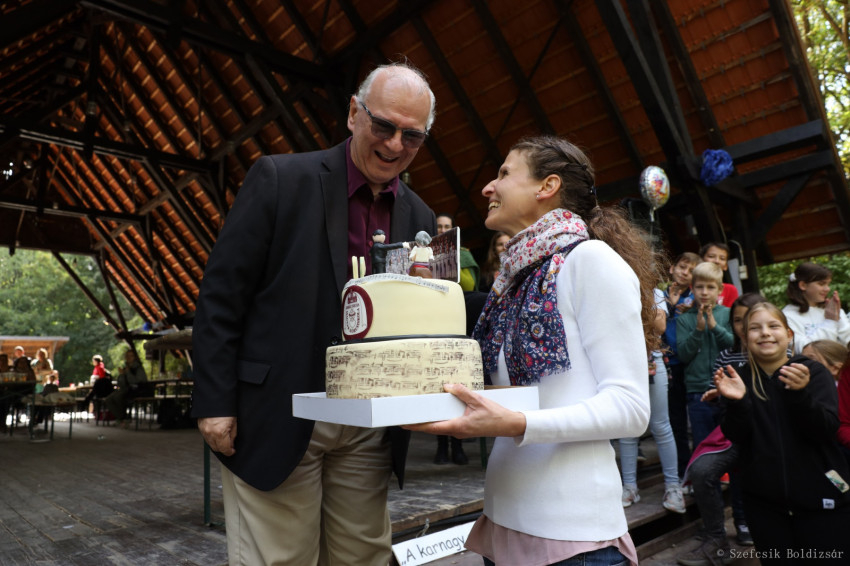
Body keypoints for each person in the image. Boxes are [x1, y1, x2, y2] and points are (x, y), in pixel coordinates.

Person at [192, 61, 438, 566]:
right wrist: (214, 400)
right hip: (278, 411)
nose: (395, 145)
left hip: (369, 423)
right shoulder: (280, 178)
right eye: (384, 126)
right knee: (280, 558)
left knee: (363, 556)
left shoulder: (420, 216)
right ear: (353, 113)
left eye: (412, 136)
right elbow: (222, 295)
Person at [406, 135, 657, 566]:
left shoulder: (591, 261)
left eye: (504, 173)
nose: (488, 187)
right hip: (504, 524)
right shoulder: (515, 278)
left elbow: (631, 408)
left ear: (548, 186)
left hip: (574, 539)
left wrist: (517, 423)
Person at [715, 302, 850, 564]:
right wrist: (738, 402)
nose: (765, 332)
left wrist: (800, 394)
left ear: (789, 335)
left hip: (822, 500)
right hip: (764, 506)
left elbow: (826, 430)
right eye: (755, 328)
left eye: (773, 326)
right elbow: (735, 435)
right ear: (745, 337)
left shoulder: (812, 371)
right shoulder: (737, 378)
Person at [675, 293, 766, 566]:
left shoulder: (777, 352)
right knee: (702, 470)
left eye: (751, 320)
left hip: (770, 436)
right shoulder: (726, 355)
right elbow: (723, 406)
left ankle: (746, 522)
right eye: (738, 320)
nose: (745, 327)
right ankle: (716, 538)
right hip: (734, 435)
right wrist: (719, 395)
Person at [620, 285, 685, 514]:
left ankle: (673, 487)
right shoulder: (613, 284)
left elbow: (660, 326)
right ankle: (629, 487)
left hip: (652, 360)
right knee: (628, 427)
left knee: (661, 425)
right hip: (622, 361)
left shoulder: (653, 291)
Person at [677, 262, 734, 451]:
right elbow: (684, 355)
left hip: (728, 389)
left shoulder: (728, 314)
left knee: (731, 444)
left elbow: (734, 347)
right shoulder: (684, 319)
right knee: (703, 446)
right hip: (698, 391)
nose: (704, 292)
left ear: (719, 290)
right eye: (699, 287)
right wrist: (698, 330)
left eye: (710, 287)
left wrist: (714, 327)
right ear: (692, 288)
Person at [663, 251, 700, 479]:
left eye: (691, 271)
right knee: (675, 419)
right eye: (682, 267)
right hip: (670, 364)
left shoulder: (698, 297)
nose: (685, 273)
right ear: (672, 268)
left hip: (694, 364)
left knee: (697, 418)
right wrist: (670, 306)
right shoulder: (658, 296)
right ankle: (682, 469)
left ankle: (700, 467)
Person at [782, 261, 850, 355]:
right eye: (821, 284)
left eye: (828, 284)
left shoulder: (832, 310)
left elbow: (848, 341)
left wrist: (838, 317)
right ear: (803, 285)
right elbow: (804, 350)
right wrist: (830, 321)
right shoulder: (787, 315)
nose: (828, 289)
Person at [435, 212, 481, 292]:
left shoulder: (463, 253)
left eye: (447, 227)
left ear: (453, 230)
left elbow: (469, 287)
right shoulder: (423, 250)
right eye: (439, 227)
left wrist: (451, 260)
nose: (442, 230)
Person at [105, 349, 149, 428]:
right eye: (127, 356)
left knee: (118, 397)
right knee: (109, 399)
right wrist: (122, 375)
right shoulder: (125, 368)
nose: (129, 358)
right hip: (125, 389)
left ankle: (124, 418)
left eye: (131, 356)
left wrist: (128, 373)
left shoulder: (138, 368)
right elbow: (121, 383)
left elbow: (136, 382)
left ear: (135, 357)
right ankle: (121, 417)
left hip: (136, 390)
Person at [700, 243, 738, 307]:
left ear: (726, 266)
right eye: (711, 256)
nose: (717, 261)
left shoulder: (730, 290)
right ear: (701, 260)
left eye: (722, 258)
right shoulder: (690, 286)